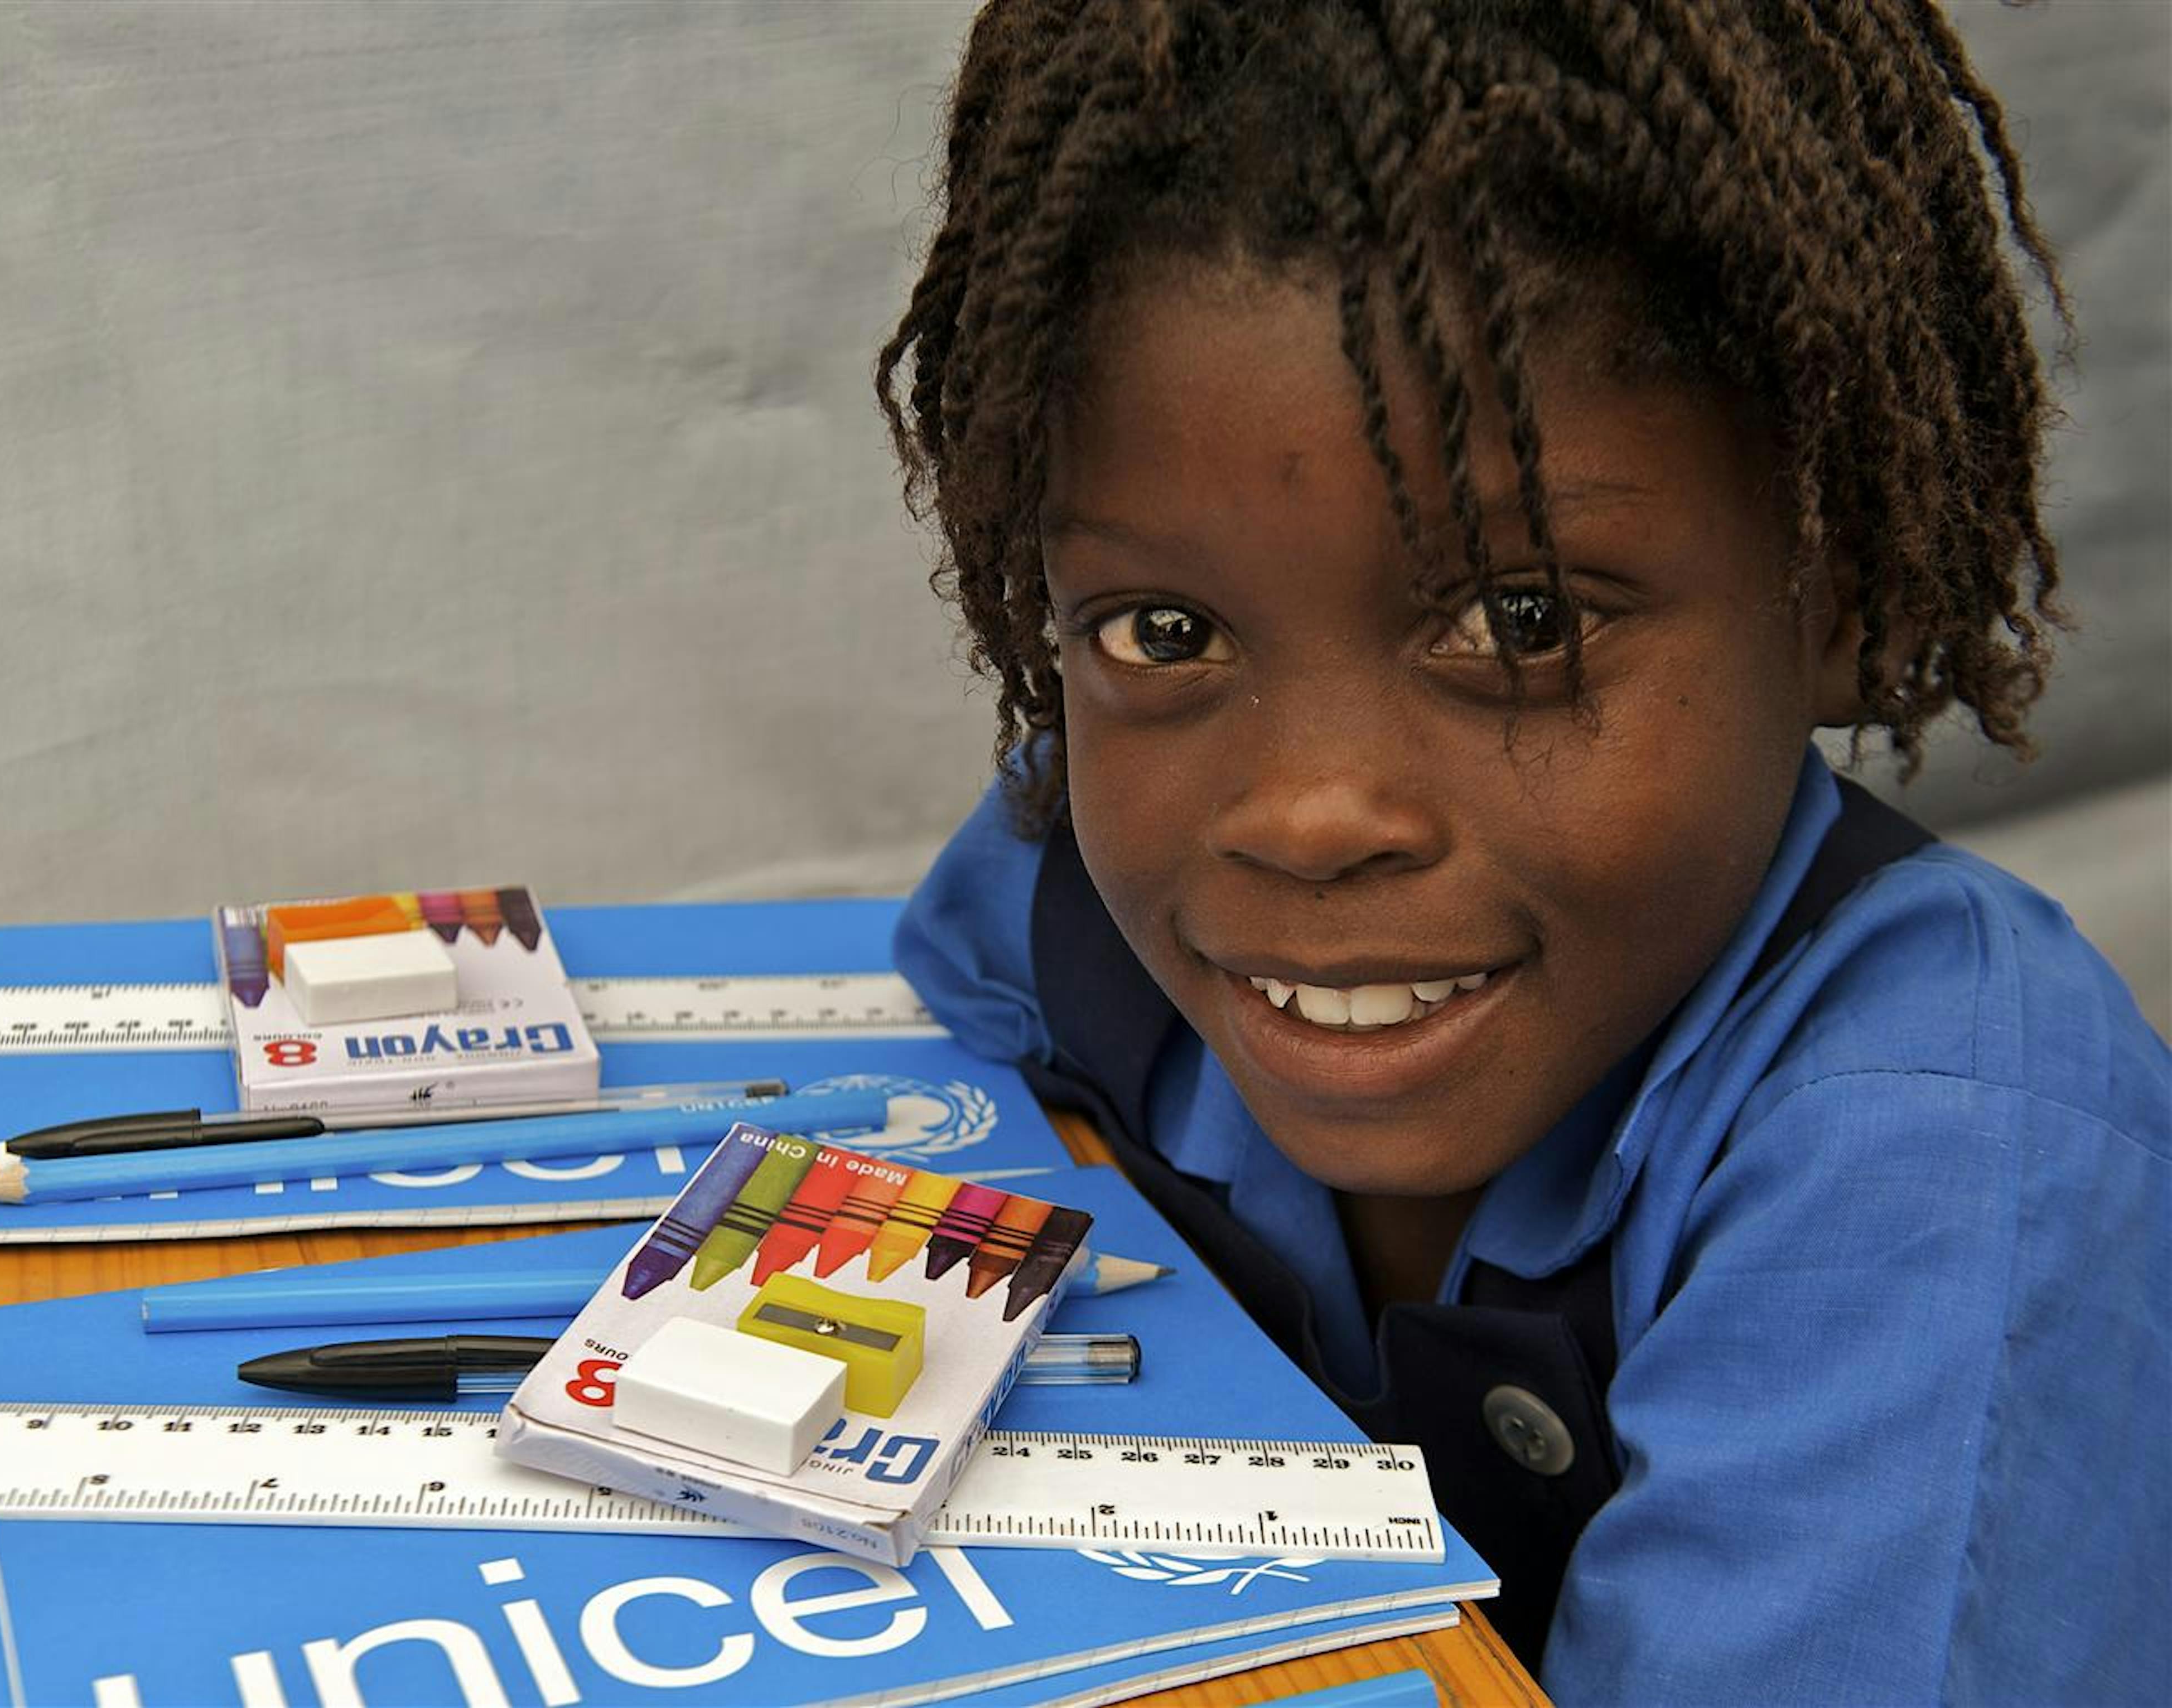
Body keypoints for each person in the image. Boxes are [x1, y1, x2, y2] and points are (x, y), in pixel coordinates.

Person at [873, 2, 2170, 1700]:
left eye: (1525, 617)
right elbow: (900, 1090)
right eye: (1168, 630)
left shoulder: (1941, 1153)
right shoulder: (1064, 903)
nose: (1306, 816)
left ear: (1839, 591)